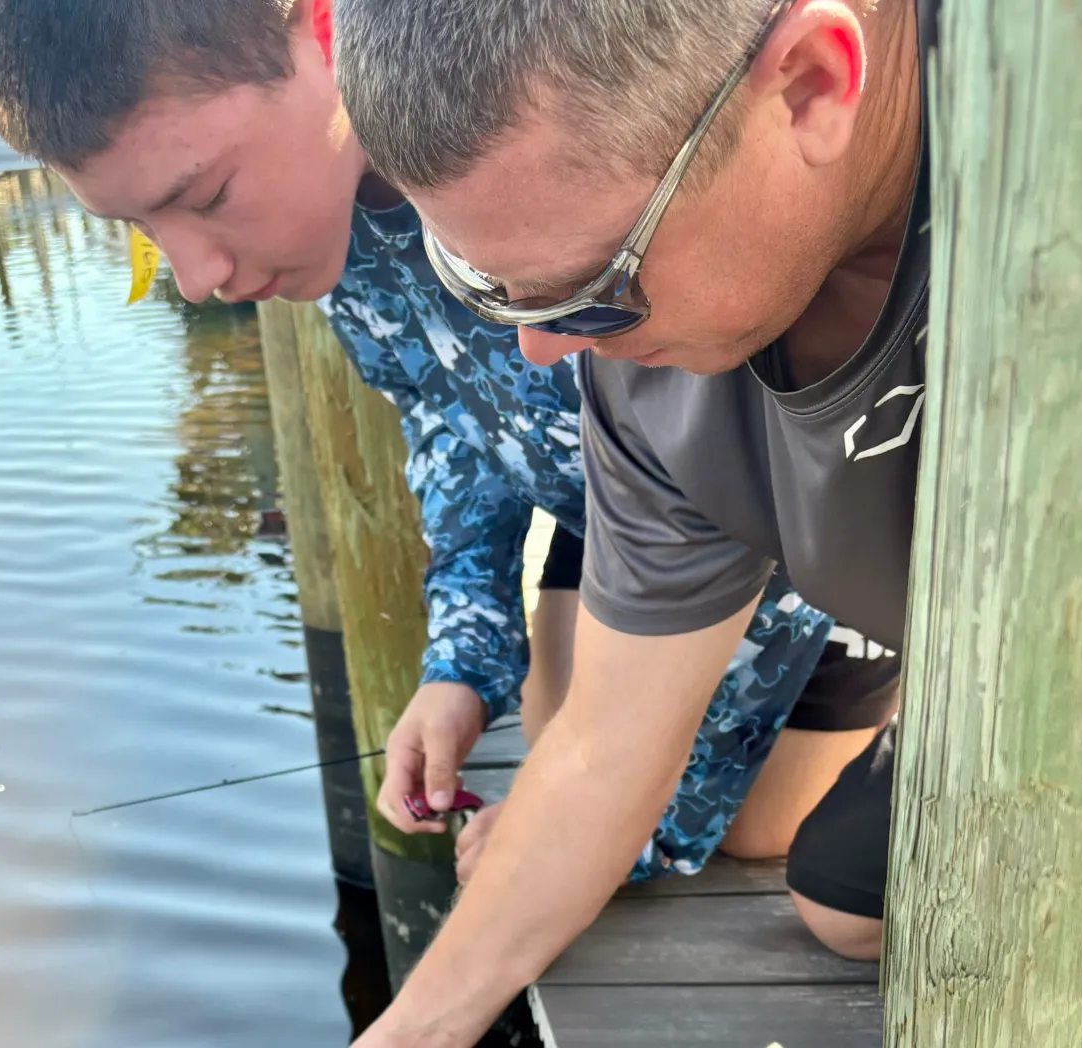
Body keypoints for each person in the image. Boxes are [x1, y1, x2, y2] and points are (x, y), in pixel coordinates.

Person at [0, 0, 892, 955]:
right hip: (606, 507)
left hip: (780, 525)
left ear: (325, 29)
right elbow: (448, 418)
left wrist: (641, 824)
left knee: (752, 837)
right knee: (550, 730)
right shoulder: (330, 237)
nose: (196, 275)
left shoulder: (541, 142)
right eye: (139, 225)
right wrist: (465, 658)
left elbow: (752, 475)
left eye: (204, 197)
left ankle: (886, 672)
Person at [333, 0, 933, 1041]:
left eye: (595, 288)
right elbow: (606, 747)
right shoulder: (657, 386)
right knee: (840, 896)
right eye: (491, 289)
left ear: (812, 86)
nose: (542, 354)